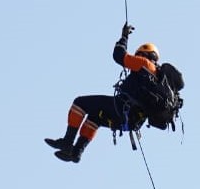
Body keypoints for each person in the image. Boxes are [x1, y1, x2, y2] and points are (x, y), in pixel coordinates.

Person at [44, 23, 177, 163]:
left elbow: (119, 55)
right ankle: (76, 153)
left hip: (122, 108)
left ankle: (67, 141)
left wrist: (124, 37)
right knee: (95, 117)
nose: (136, 58)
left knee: (80, 103)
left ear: (145, 54)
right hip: (132, 121)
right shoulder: (156, 77)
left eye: (138, 55)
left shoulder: (145, 64)